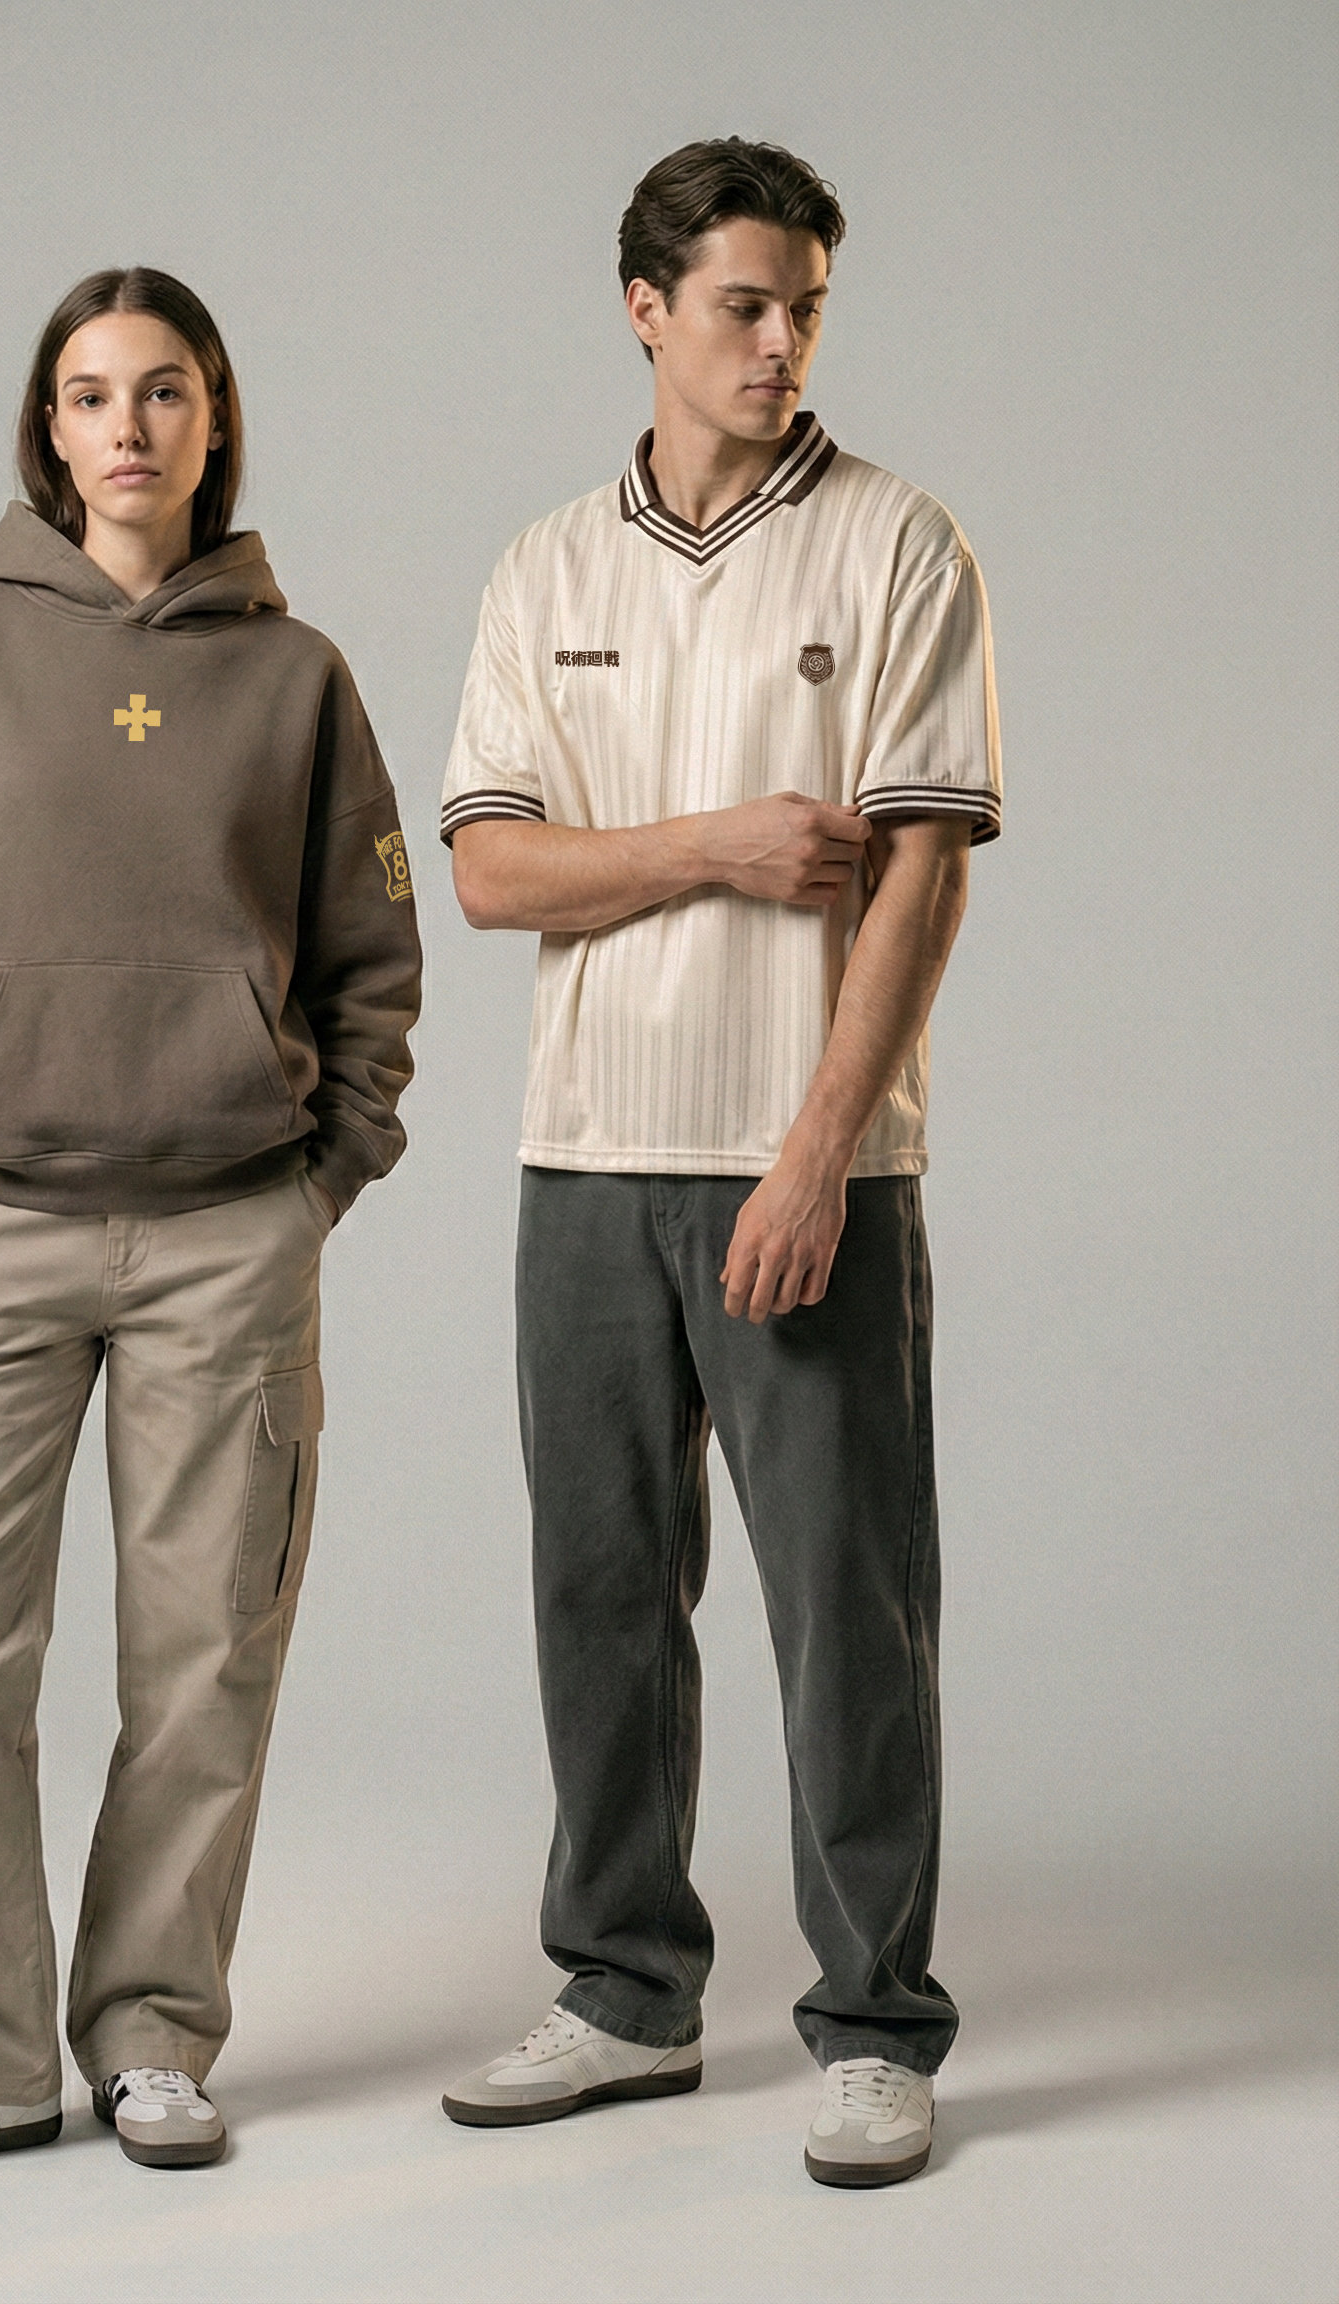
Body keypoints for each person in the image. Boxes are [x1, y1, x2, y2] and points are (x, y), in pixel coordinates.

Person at [0, 267, 420, 2182]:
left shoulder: (299, 677)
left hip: (231, 1236)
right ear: (49, 430)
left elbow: (371, 961)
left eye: (164, 390)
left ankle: (153, 2036)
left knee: (204, 1664)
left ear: (213, 418)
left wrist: (324, 1178)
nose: (129, 426)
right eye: (91, 394)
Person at [437, 139, 1000, 2187]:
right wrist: (716, 846)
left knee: (849, 1603)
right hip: (584, 1159)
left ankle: (876, 2026)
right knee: (598, 1594)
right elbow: (492, 873)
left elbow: (921, 877)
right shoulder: (543, 570)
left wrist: (820, 1155)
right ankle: (622, 1995)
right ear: (646, 310)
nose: (780, 344)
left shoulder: (900, 545)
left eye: (807, 310)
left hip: (807, 1162)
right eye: (745, 305)